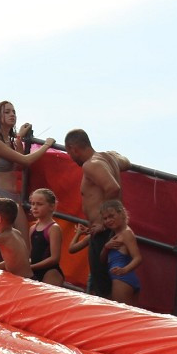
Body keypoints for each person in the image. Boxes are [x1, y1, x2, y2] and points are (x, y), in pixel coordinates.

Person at [65, 128, 131, 299]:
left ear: (74, 148)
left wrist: (103, 222)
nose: (71, 158)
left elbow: (112, 187)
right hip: (112, 230)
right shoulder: (108, 158)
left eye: (69, 153)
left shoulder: (91, 164)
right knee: (108, 281)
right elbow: (126, 162)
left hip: (103, 233)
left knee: (102, 287)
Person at [0, 100, 55, 235]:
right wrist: (46, 145)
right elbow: (26, 161)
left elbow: (19, 166)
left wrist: (19, 139)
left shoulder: (10, 143)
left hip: (14, 196)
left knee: (19, 242)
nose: (12, 115)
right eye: (7, 112)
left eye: (14, 112)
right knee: (17, 241)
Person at [70, 200, 141, 305]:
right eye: (105, 218)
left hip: (122, 279)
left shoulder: (126, 233)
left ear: (121, 213)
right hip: (120, 278)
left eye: (111, 216)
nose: (109, 220)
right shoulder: (114, 234)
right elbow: (102, 260)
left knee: (121, 316)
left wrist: (124, 270)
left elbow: (138, 258)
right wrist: (106, 247)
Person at [27, 188, 64, 286]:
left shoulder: (53, 228)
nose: (34, 207)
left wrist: (32, 267)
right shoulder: (32, 228)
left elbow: (54, 258)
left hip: (50, 273)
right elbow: (31, 254)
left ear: (52, 206)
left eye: (39, 204)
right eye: (32, 204)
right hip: (34, 270)